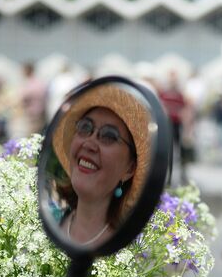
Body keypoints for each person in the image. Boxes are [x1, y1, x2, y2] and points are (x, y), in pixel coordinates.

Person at [52, 82, 150, 247]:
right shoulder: (44, 223)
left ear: (130, 169)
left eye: (109, 136)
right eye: (85, 127)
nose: (89, 143)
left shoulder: (135, 255)